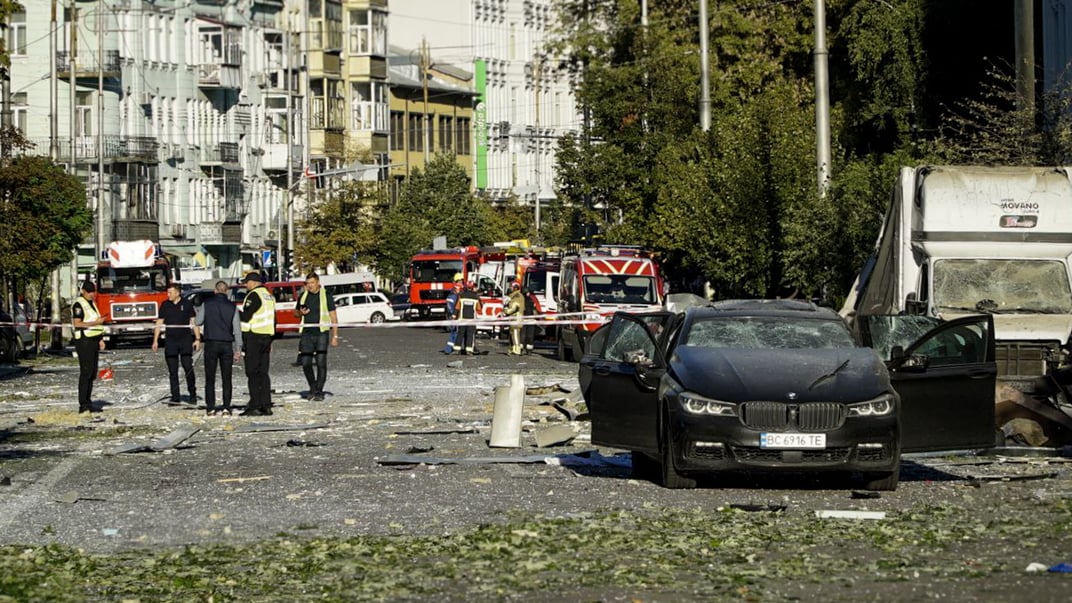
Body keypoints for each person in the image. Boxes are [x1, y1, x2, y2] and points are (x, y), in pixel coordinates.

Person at [197, 280, 242, 416]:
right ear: (227, 291)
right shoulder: (232, 307)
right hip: (227, 345)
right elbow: (237, 330)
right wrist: (238, 349)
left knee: (210, 378)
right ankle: (226, 407)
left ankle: (210, 407)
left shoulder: (207, 304)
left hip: (211, 343)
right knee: (226, 378)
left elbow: (199, 321)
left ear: (215, 291)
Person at [152, 283, 200, 404]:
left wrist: (197, 338)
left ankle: (192, 394)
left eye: (171, 292)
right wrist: (155, 341)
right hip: (171, 341)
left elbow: (194, 322)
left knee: (188, 367)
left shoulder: (187, 304)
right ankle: (175, 396)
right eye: (168, 292)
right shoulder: (165, 305)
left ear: (177, 293)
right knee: (173, 371)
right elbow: (159, 323)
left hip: (185, 340)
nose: (168, 295)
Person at [295, 272, 339, 401]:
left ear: (318, 282)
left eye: (312, 283)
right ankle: (312, 387)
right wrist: (300, 313)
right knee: (306, 363)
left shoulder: (326, 296)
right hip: (307, 333)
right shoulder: (303, 296)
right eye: (307, 283)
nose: (309, 286)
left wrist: (335, 335)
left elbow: (333, 316)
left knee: (321, 363)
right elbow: (296, 313)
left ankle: (319, 391)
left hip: (321, 333)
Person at [239, 271, 276, 416]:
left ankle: (254, 405)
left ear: (253, 282)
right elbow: (274, 319)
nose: (245, 285)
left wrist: (234, 313)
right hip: (266, 336)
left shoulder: (254, 295)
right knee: (263, 373)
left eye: (246, 282)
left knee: (252, 372)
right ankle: (266, 405)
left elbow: (247, 317)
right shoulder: (268, 296)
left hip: (254, 337)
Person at [71, 280, 106, 413]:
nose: (92, 294)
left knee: (92, 373)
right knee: (86, 372)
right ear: (83, 291)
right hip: (84, 341)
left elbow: (97, 324)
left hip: (93, 340)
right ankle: (83, 405)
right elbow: (77, 323)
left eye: (93, 291)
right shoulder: (79, 304)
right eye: (89, 292)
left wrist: (100, 339)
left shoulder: (92, 303)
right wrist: (95, 323)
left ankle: (88, 402)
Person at [455, 280, 482, 355]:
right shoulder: (476, 297)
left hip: (462, 319)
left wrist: (455, 316)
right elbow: (479, 308)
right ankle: (468, 350)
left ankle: (457, 349)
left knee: (460, 334)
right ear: (473, 287)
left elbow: (457, 307)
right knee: (470, 334)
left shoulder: (461, 295)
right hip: (471, 320)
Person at [502, 282, 524, 355]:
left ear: (515, 288)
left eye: (511, 287)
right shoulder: (513, 296)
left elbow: (514, 308)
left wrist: (506, 310)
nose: (510, 289)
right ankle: (513, 348)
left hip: (516, 318)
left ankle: (517, 349)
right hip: (513, 318)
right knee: (512, 334)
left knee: (515, 333)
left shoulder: (517, 296)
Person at [442, 281, 462, 354]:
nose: (460, 291)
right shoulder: (453, 296)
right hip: (452, 317)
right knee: (454, 332)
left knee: (454, 332)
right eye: (460, 289)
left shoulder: (451, 295)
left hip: (451, 316)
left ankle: (450, 348)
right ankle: (448, 349)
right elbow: (450, 307)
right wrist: (454, 315)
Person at [521, 286, 537, 355]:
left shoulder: (521, 300)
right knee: (529, 335)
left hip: (523, 320)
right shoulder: (531, 300)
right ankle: (529, 350)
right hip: (530, 320)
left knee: (523, 335)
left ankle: (522, 349)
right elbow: (534, 310)